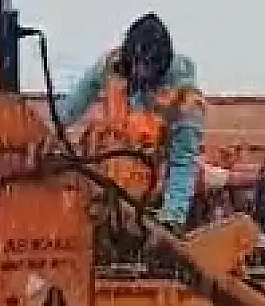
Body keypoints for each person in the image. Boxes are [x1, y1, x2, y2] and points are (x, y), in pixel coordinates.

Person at [56, 12, 205, 232]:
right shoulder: (111, 65)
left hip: (150, 203)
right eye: (135, 64)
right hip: (107, 192)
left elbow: (182, 162)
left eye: (148, 66)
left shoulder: (186, 99)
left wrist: (172, 217)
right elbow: (70, 108)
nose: (139, 72)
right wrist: (48, 131)